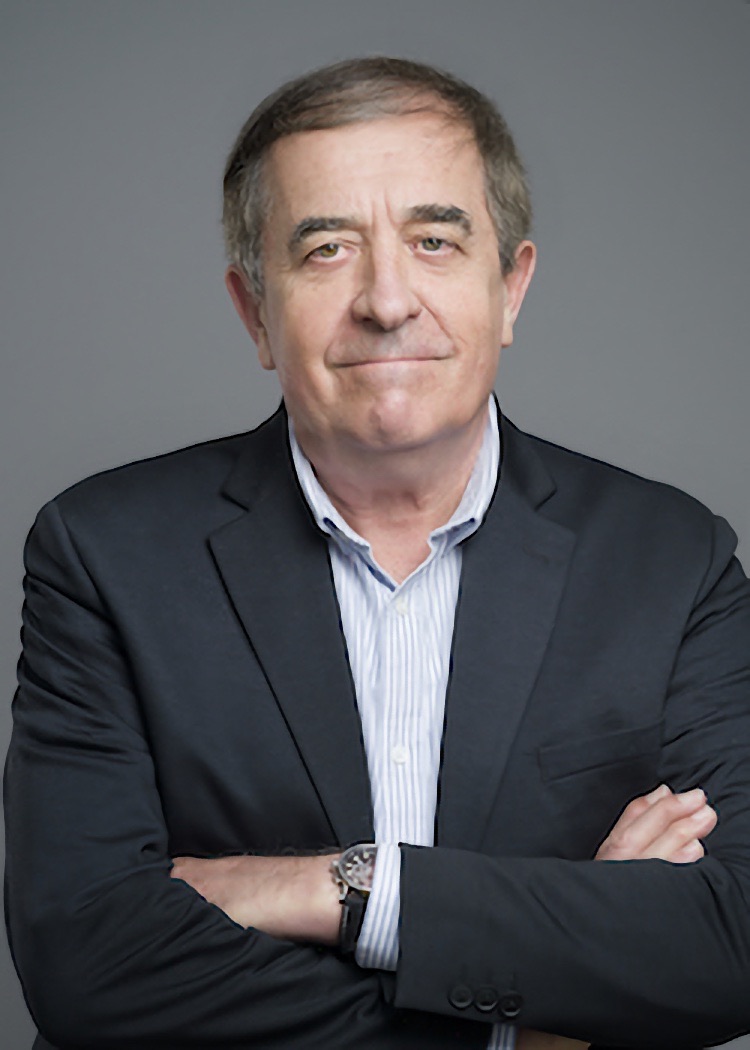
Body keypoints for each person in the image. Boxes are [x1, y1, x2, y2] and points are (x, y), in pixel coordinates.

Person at [4, 56, 750, 1050]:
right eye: (326, 251)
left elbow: (734, 940)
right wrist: (530, 1020)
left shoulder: (672, 562)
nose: (387, 300)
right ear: (254, 312)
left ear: (511, 287)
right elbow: (86, 967)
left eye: (435, 241)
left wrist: (337, 887)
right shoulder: (104, 555)